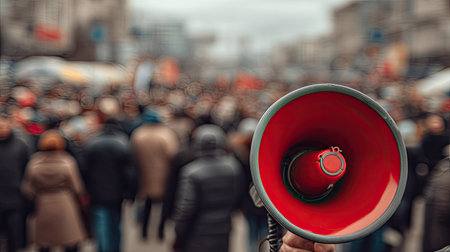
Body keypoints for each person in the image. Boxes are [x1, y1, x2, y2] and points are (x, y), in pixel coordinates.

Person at [172, 124, 244, 252]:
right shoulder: (233, 167)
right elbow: (237, 198)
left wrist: (178, 234)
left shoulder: (191, 172)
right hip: (224, 229)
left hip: (197, 233)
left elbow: (185, 209)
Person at [21, 130, 86, 252]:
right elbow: (78, 187)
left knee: (45, 242)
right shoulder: (67, 161)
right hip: (65, 203)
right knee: (69, 240)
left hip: (43, 204)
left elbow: (28, 189)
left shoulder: (35, 162)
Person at [83, 118, 136, 252]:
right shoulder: (123, 143)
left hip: (96, 192)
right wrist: (130, 192)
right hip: (117, 193)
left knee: (101, 225)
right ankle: (116, 248)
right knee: (116, 223)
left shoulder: (91, 143)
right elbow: (129, 173)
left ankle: (103, 248)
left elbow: (84, 169)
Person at [130, 108, 179, 239]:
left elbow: (133, 155)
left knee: (147, 204)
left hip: (144, 175)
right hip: (163, 175)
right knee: (163, 205)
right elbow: (173, 155)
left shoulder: (138, 134)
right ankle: (160, 231)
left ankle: (144, 231)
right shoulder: (166, 134)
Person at [0, 114, 29, 252]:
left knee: (15, 238)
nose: (2, 129)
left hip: (15, 198)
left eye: (5, 126)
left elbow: (26, 169)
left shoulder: (20, 145)